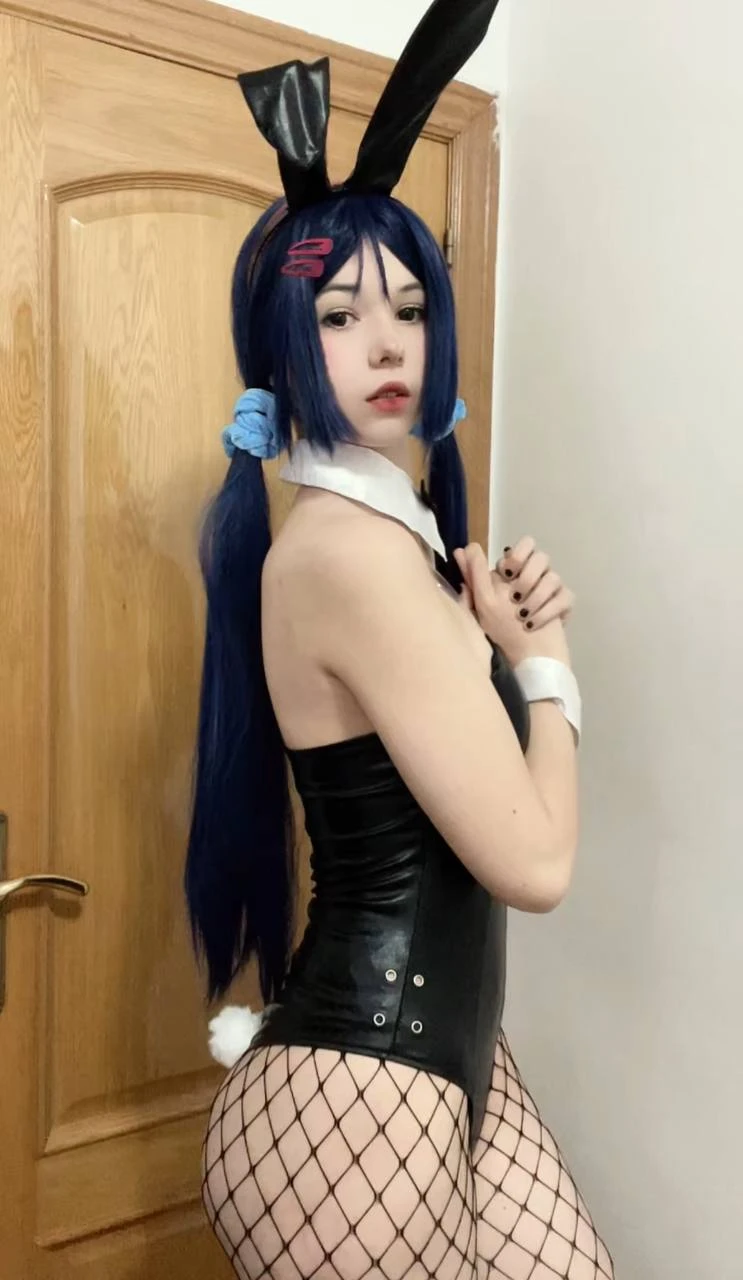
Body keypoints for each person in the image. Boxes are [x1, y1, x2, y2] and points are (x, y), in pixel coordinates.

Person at [185, 3, 614, 1277]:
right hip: (354, 1097)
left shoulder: (396, 547)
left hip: (439, 1068)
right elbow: (533, 860)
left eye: (410, 307)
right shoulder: (348, 557)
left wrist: (495, 636)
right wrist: (544, 669)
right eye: (336, 315)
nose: (385, 342)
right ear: (282, 348)